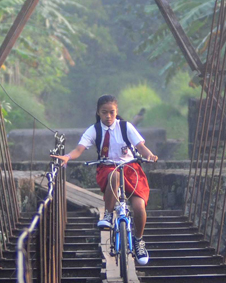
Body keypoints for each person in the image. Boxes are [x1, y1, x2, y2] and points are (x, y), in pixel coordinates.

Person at [52, 94, 158, 265]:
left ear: (116, 111)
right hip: (108, 168)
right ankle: (108, 215)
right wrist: (67, 157)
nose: (108, 116)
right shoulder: (94, 130)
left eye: (111, 112)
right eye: (104, 112)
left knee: (139, 208)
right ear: (98, 113)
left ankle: (139, 241)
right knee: (114, 175)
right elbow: (79, 149)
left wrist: (150, 156)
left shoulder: (125, 126)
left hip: (131, 169)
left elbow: (140, 146)